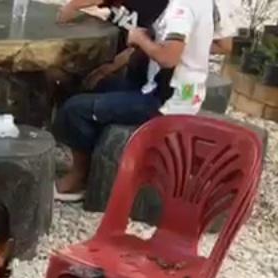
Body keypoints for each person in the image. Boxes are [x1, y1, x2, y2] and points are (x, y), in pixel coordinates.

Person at [54, 0, 214, 200]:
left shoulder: (182, 8)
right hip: (175, 92)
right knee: (88, 85)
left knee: (75, 109)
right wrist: (113, 66)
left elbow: (168, 58)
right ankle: (92, 161)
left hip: (166, 102)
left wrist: (140, 39)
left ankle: (79, 179)